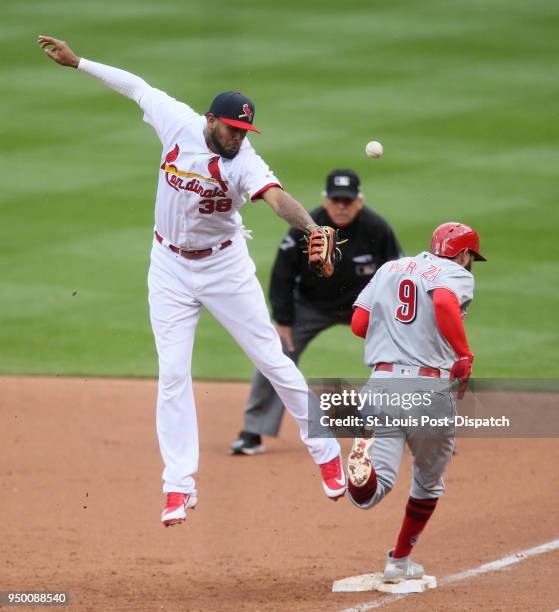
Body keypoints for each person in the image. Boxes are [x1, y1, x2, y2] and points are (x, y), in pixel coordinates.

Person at [37, 35, 347, 527]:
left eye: (245, 130)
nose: (239, 137)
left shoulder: (243, 163)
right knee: (173, 374)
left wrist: (311, 228)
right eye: (233, 128)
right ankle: (179, 486)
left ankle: (326, 454)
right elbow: (136, 87)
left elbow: (275, 196)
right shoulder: (177, 122)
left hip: (225, 268)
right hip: (169, 267)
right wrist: (78, 63)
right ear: (210, 120)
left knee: (272, 358)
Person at [346, 222, 485, 581]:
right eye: (472, 257)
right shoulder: (456, 272)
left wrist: (394, 332)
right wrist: (464, 353)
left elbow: (359, 323)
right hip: (428, 391)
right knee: (427, 484)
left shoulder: (389, 268)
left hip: (381, 385)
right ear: (465, 254)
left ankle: (361, 473)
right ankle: (398, 561)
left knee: (373, 492)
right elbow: (441, 300)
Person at [230, 169, 402, 455]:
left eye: (347, 201)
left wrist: (395, 321)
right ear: (325, 201)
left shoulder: (377, 229)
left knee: (399, 357)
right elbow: (282, 272)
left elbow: (397, 274)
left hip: (365, 307)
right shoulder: (308, 225)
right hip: (311, 306)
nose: (341, 206)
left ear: (359, 202)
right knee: (275, 353)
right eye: (336, 200)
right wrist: (283, 320)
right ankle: (253, 430)